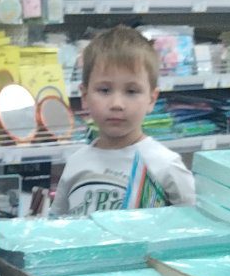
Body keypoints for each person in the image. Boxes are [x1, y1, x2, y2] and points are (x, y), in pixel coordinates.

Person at [51, 26, 195, 215]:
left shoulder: (165, 166)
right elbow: (57, 224)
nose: (117, 104)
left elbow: (193, 224)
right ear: (84, 96)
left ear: (152, 99)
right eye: (104, 90)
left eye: (131, 91)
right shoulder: (76, 163)